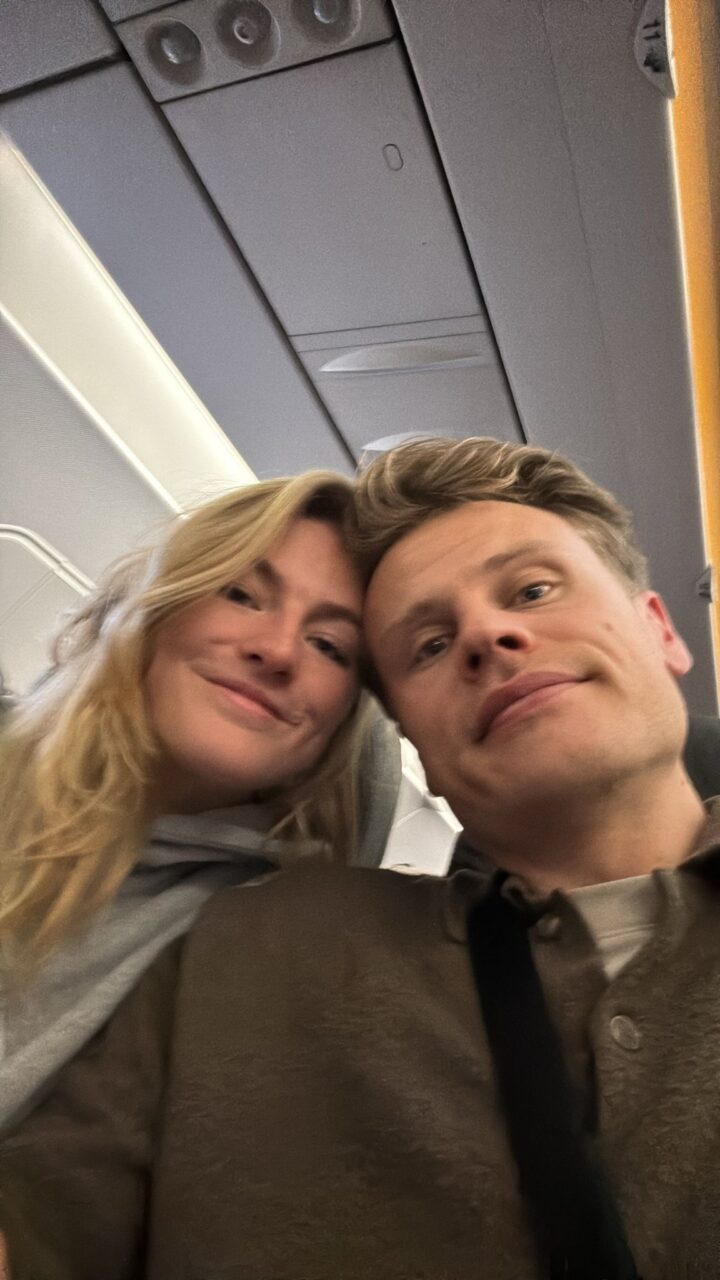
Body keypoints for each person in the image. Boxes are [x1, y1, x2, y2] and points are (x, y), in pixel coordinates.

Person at [2, 437, 720, 1280]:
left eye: (532, 590)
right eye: (428, 645)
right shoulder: (261, 945)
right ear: (416, 744)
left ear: (660, 629)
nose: (487, 633)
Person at [0, 470, 400, 1131]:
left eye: (330, 646)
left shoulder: (253, 947)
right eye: (242, 595)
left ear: (337, 731)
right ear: (159, 605)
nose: (277, 650)